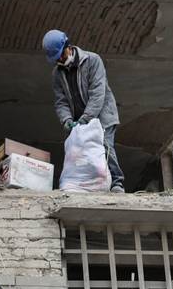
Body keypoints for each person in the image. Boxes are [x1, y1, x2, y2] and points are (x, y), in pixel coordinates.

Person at [43, 28, 125, 192]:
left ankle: (117, 182)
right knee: (77, 153)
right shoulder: (57, 74)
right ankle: (87, 185)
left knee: (105, 145)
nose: (60, 59)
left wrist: (85, 119)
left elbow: (97, 94)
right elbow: (61, 102)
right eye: (56, 58)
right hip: (78, 120)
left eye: (61, 55)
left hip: (102, 115)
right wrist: (66, 120)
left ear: (68, 46)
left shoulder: (93, 60)